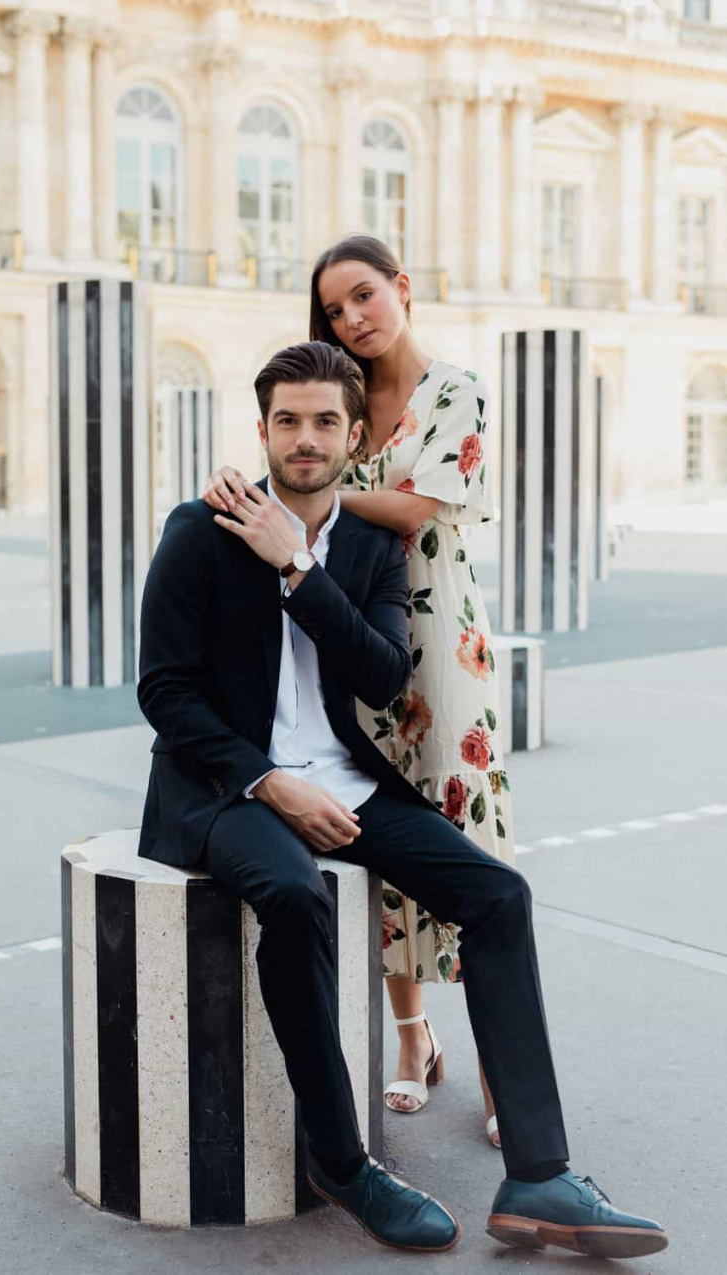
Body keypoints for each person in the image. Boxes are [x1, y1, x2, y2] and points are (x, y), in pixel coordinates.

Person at [137, 339, 667, 1258]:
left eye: (326, 422)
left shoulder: (374, 543)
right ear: (262, 429)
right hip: (226, 787)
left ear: (352, 436)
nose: (306, 438)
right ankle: (343, 1162)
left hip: (344, 776)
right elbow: (164, 690)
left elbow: (382, 678)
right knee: (294, 892)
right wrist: (271, 783)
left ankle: (540, 1173)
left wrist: (298, 568)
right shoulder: (199, 529)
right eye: (289, 420)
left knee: (498, 893)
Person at [203, 235, 507, 1138]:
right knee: (376, 843)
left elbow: (414, 509)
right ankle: (413, 1038)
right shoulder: (340, 399)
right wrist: (274, 495)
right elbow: (300, 468)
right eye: (335, 309)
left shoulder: (453, 390)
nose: (352, 318)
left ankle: (499, 1066)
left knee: (468, 843)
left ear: (403, 288)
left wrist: (291, 498)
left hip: (432, 632)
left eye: (365, 296)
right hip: (343, 621)